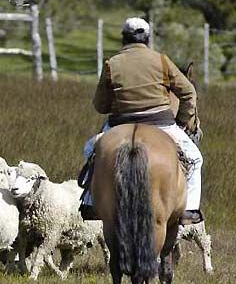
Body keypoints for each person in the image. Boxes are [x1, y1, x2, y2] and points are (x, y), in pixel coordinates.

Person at [79, 17, 204, 225]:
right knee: (194, 158)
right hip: (161, 123)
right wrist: (182, 119)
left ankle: (91, 203)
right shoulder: (161, 60)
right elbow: (188, 93)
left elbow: (100, 105)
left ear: (124, 38)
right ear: (147, 38)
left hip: (119, 124)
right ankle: (189, 209)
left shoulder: (112, 64)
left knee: (91, 151)